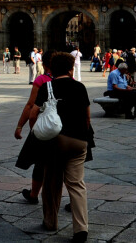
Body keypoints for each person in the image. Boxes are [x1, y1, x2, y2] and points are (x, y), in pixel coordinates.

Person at [31, 52, 91, 243]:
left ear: (51, 69)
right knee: (77, 185)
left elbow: (33, 114)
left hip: (54, 141)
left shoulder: (47, 86)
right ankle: (81, 229)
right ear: (70, 68)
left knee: (51, 183)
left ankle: (50, 221)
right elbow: (87, 116)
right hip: (79, 141)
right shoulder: (80, 87)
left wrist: (36, 131)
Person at [14, 68, 53, 204]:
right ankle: (75, 200)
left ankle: (34, 194)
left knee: (40, 162)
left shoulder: (42, 81)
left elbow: (31, 106)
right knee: (67, 167)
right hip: (64, 129)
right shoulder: (73, 82)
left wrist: (21, 126)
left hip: (43, 128)